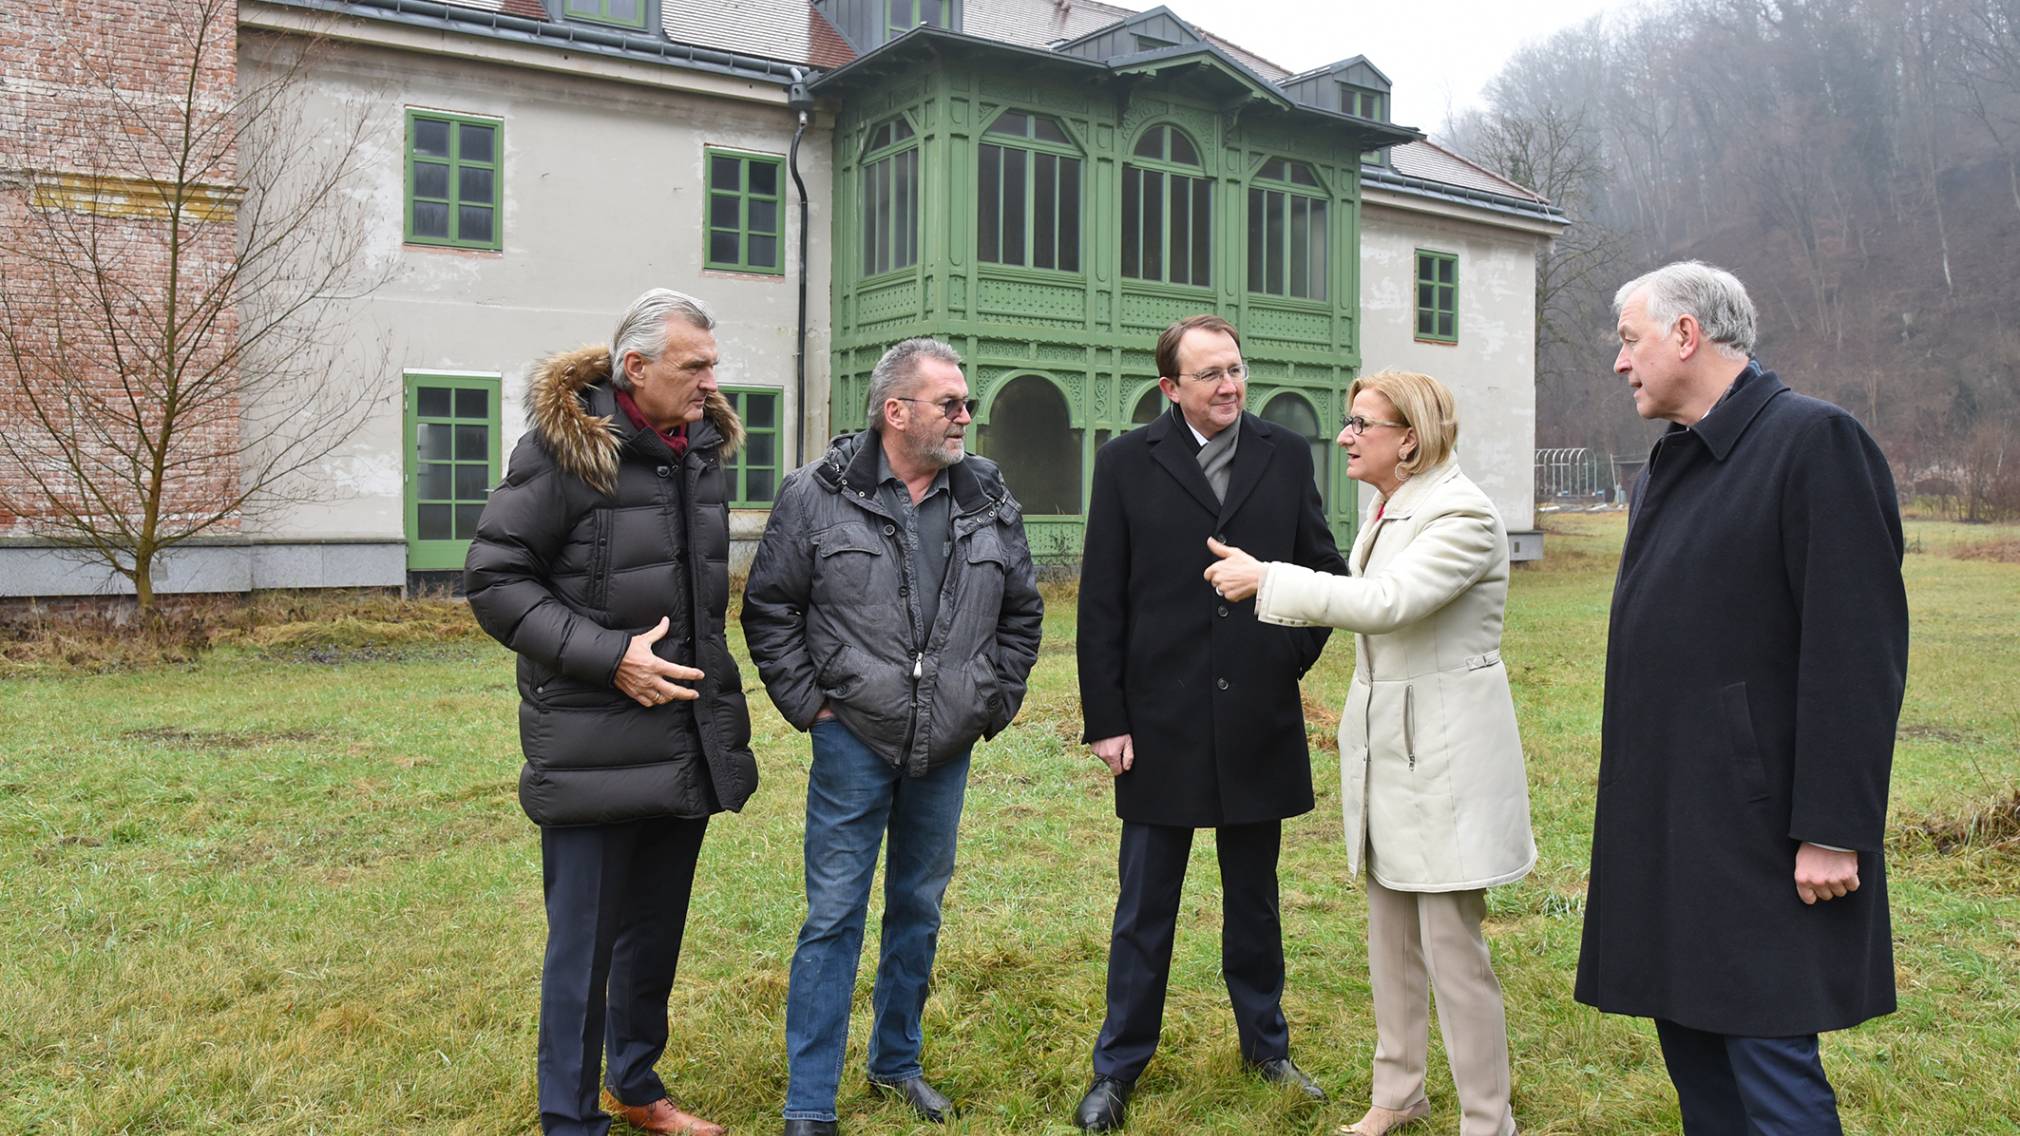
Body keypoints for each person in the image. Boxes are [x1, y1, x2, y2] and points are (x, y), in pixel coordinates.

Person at [1576, 261, 1908, 1134]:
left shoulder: (1813, 443)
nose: (1621, 364)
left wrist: (1834, 828)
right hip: (1670, 819)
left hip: (1759, 829)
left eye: (1629, 340)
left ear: (1686, 335)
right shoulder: (1665, 469)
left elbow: (1856, 653)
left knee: (1770, 1062)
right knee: (1693, 1051)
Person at [1205, 369, 1534, 1136]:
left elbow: (1388, 606)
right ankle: (1398, 1094)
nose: (1345, 437)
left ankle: (1490, 1119)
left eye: (1361, 424)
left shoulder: (1462, 514)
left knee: (1453, 949)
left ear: (1409, 439)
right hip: (1392, 748)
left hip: (1446, 755)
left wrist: (1267, 579)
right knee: (1390, 939)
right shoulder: (1390, 509)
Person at [465, 288, 758, 1136]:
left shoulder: (700, 450)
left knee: (653, 935)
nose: (712, 381)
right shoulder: (566, 453)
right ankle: (569, 1117)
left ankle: (636, 1087)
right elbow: (494, 581)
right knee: (582, 950)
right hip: (591, 745)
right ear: (636, 369)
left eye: (712, 363)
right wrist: (612, 656)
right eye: (693, 366)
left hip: (682, 737)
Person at [742, 338, 1044, 1136]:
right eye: (950, 402)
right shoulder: (814, 494)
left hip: (945, 745)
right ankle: (810, 1101)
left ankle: (895, 1062)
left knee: (918, 908)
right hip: (853, 741)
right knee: (833, 915)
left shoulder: (985, 495)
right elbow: (770, 608)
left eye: (967, 402)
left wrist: (991, 700)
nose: (965, 417)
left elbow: (1022, 610)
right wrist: (812, 706)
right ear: (895, 410)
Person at [1071, 314, 1345, 1132]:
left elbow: (1324, 573)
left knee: (1255, 904)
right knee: (1145, 907)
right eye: (1210, 374)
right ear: (1170, 388)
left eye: (1235, 369)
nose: (1229, 385)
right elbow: (1101, 601)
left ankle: (1267, 1048)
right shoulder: (1124, 464)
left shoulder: (1286, 455)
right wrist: (1106, 719)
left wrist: (1284, 663)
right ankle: (1118, 1067)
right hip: (1158, 725)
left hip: (1259, 719)